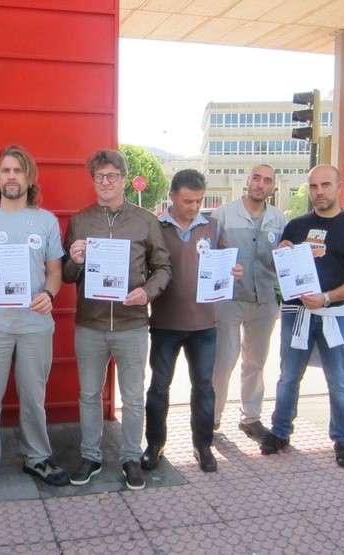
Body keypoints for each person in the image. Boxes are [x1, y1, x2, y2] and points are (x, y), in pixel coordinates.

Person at [0, 145, 69, 499]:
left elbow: (55, 273)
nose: (11, 177)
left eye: (18, 171)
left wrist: (49, 296)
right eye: (5, 171)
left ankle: (37, 457)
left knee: (33, 396)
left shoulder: (47, 221)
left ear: (29, 178)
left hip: (34, 324)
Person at [63, 149, 171, 491]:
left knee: (133, 396)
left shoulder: (145, 220)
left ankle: (130, 456)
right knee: (89, 394)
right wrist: (76, 260)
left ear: (124, 179)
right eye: (99, 177)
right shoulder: (80, 221)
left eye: (112, 176)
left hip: (132, 323)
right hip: (90, 324)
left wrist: (147, 292)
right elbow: (66, 274)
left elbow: (163, 267)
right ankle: (91, 455)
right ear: (93, 180)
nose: (106, 182)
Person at [261, 164, 344, 468]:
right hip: (297, 313)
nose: (319, 192)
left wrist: (326, 297)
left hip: (336, 314)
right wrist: (281, 254)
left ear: (339, 186)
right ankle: (280, 430)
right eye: (313, 186)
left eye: (325, 185)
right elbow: (282, 273)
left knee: (338, 380)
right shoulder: (296, 226)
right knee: (288, 377)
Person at [141, 169, 242, 474]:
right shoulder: (154, 226)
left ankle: (203, 445)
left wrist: (234, 271)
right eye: (187, 201)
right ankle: (155, 444)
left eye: (198, 201)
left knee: (204, 388)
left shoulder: (212, 226)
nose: (194, 207)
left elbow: (224, 261)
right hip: (165, 322)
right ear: (171, 196)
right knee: (159, 387)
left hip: (204, 325)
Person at [211, 164, 286, 441]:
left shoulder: (279, 220)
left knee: (255, 362)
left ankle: (251, 417)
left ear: (273, 187)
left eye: (267, 180)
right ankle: (213, 418)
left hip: (264, 300)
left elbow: (284, 263)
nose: (260, 184)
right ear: (247, 180)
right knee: (223, 360)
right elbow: (208, 255)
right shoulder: (223, 215)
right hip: (229, 299)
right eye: (256, 178)